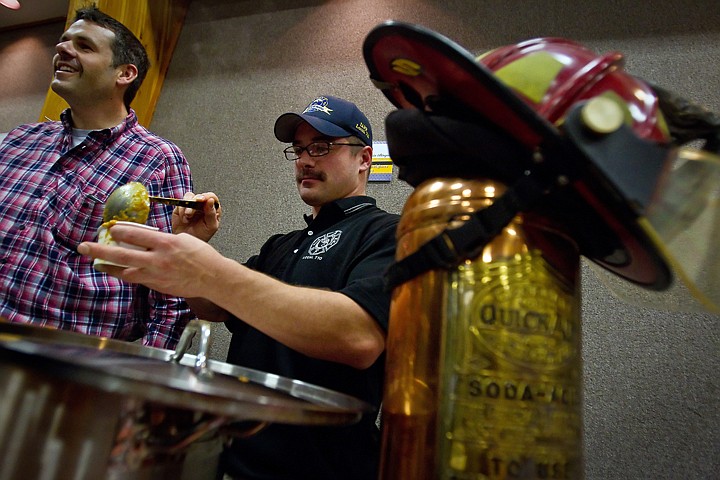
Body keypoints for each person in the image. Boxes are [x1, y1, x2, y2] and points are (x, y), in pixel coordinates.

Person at [77, 95, 400, 480]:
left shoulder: (389, 232)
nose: (305, 161)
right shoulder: (281, 243)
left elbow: (358, 337)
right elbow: (212, 308)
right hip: (233, 459)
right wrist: (194, 244)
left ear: (364, 158)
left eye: (321, 147)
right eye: (298, 150)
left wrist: (210, 272)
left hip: (322, 469)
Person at [0, 5, 197, 349]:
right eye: (63, 41)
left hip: (71, 369)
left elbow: (171, 296)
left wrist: (137, 385)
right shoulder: (18, 140)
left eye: (84, 46)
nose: (62, 48)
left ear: (125, 74)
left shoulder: (157, 159)